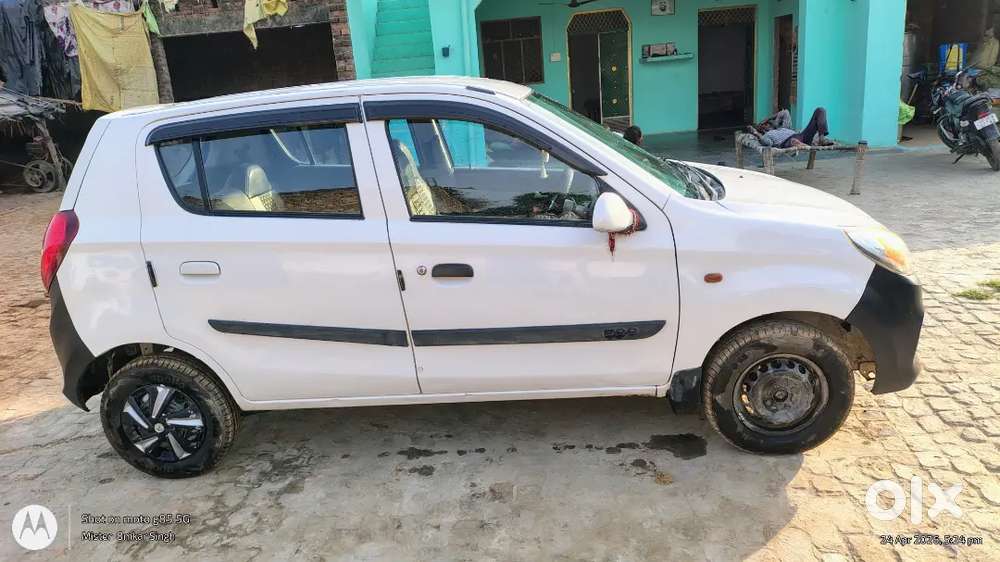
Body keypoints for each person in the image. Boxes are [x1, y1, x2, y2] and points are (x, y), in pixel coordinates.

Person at [750, 107, 833, 148]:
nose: (767, 125)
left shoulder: (785, 127)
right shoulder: (767, 135)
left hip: (802, 136)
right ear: (763, 130)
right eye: (764, 125)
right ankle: (806, 146)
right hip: (787, 142)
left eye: (767, 123)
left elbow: (785, 112)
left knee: (820, 110)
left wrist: (767, 119)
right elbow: (768, 143)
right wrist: (756, 133)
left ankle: (821, 138)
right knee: (793, 141)